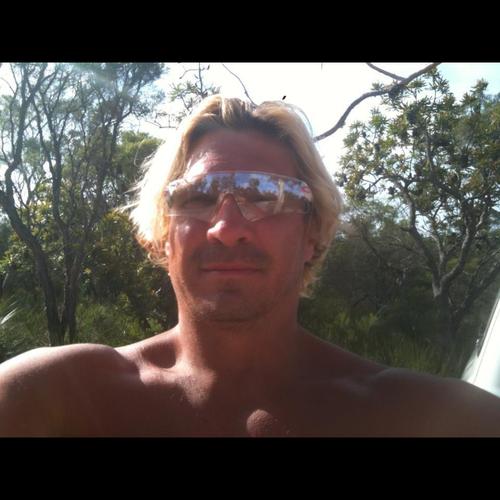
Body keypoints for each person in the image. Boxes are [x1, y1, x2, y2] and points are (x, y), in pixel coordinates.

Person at [1, 95, 499, 437]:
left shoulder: (429, 420)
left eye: (267, 195)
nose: (227, 227)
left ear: (312, 232)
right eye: (198, 196)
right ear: (162, 232)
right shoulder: (50, 398)